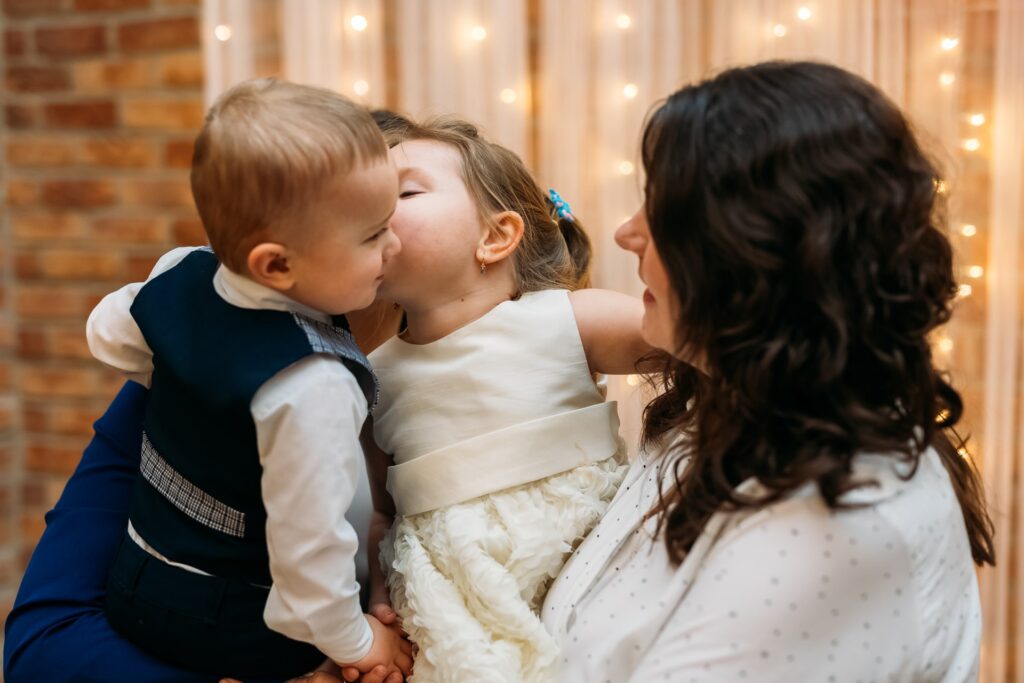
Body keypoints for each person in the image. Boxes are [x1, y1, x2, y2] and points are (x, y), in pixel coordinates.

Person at [540, 60, 995, 681]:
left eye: (664, 211)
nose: (626, 233)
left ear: (756, 251)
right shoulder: (721, 404)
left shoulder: (835, 531)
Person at [82, 78, 410, 681]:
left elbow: (107, 332)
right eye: (373, 234)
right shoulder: (312, 384)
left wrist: (191, 381)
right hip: (233, 622)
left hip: (131, 578)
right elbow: (310, 557)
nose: (394, 245)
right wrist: (359, 643)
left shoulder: (182, 269)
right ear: (277, 264)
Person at [360, 116, 650, 683]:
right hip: (452, 594)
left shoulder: (565, 319)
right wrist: (379, 596)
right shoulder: (372, 375)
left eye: (405, 192)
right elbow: (380, 511)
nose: (371, 210)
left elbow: (695, 340)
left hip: (586, 560)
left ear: (494, 236)